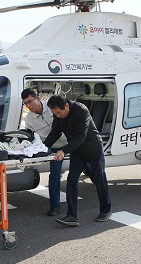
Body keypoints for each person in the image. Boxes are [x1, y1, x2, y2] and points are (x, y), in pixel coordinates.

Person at [43, 95, 112, 226]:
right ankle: (72, 216)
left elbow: (81, 136)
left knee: (99, 179)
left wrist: (63, 150)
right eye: (54, 113)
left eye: (58, 113)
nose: (57, 116)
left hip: (92, 148)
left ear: (66, 106)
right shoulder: (58, 115)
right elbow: (55, 132)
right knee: (72, 180)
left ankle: (106, 209)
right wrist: (42, 148)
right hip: (77, 151)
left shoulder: (81, 110)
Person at [20, 88, 67, 216]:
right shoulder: (29, 120)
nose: (28, 106)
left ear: (38, 98)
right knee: (55, 175)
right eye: (25, 103)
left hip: (70, 142)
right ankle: (55, 206)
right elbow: (32, 139)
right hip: (53, 147)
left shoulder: (52, 107)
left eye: (30, 101)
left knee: (89, 166)